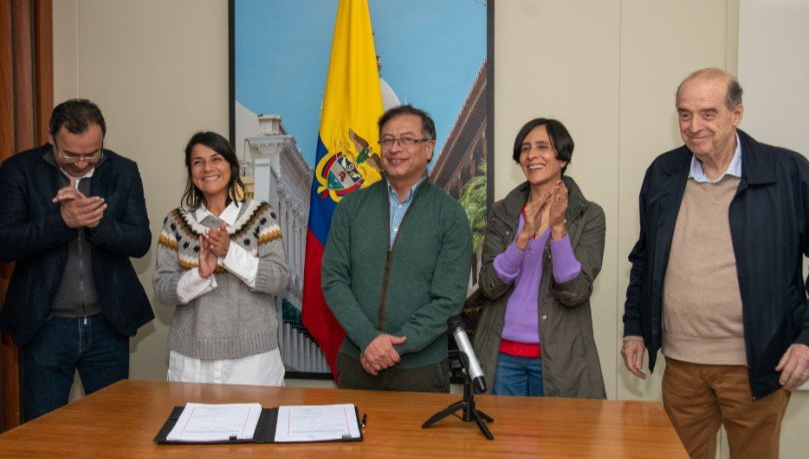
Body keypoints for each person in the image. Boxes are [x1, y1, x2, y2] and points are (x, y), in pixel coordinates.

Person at [621, 68, 809, 458]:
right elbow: (645, 258)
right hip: (680, 365)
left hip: (758, 365)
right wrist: (634, 327)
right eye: (685, 114)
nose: (694, 126)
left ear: (737, 114)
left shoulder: (787, 173)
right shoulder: (663, 174)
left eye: (708, 113)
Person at [0, 99, 153, 420]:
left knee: (113, 429)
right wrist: (62, 221)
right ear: (51, 138)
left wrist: (98, 223)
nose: (82, 163)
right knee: (43, 434)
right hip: (44, 327)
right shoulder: (19, 171)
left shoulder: (123, 171)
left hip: (108, 325)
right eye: (70, 154)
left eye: (91, 153)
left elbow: (140, 241)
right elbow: (6, 243)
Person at [322, 105, 472, 392]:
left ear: (429, 148)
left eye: (406, 139)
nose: (394, 148)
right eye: (387, 140)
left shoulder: (450, 215)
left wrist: (395, 347)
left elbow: (449, 299)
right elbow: (333, 279)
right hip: (358, 361)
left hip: (421, 369)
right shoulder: (351, 207)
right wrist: (368, 339)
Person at [473, 118, 606, 398]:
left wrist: (557, 229)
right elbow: (488, 284)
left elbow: (575, 291)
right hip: (502, 358)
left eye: (543, 147)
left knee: (558, 442)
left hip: (560, 359)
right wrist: (523, 238)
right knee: (502, 442)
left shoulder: (589, 215)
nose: (531, 155)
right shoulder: (503, 212)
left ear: (563, 158)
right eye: (525, 148)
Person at [153, 131, 290, 386]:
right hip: (192, 362)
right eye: (198, 161)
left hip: (253, 362)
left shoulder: (261, 215)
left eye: (216, 159)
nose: (208, 168)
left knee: (258, 427)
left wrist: (231, 254)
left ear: (231, 165)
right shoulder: (176, 222)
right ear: (191, 172)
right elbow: (162, 289)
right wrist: (199, 275)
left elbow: (279, 279)